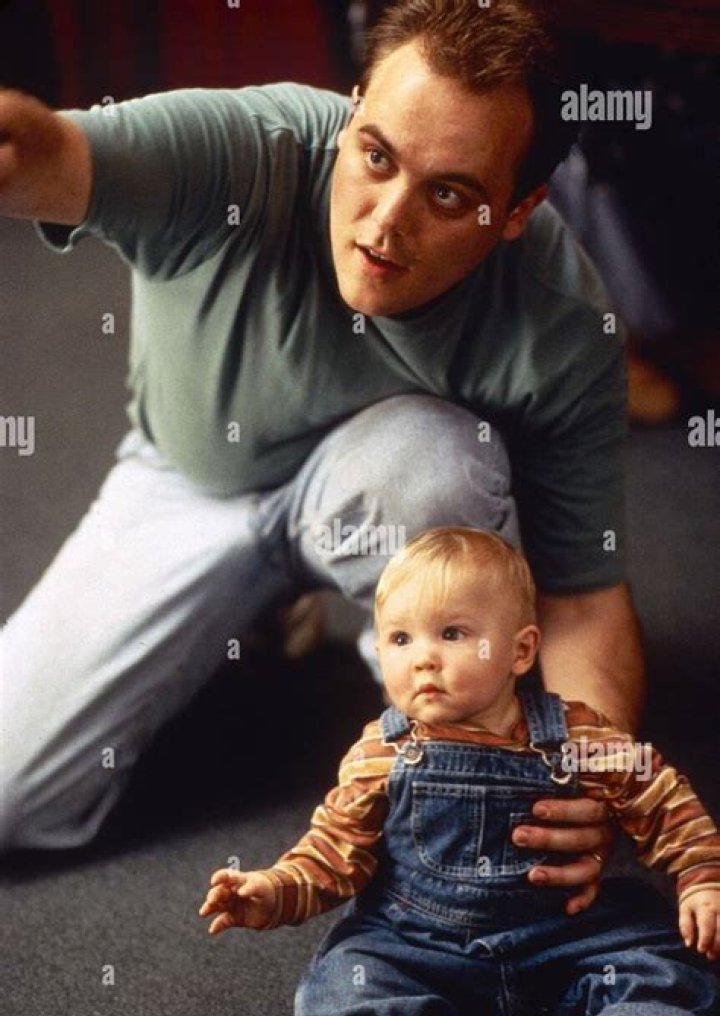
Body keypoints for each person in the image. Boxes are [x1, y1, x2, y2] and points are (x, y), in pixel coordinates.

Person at [1, 0, 638, 917]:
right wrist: (16, 142)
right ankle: (266, 612)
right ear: (353, 108)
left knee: (433, 464)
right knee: (8, 793)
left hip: (390, 490)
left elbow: (581, 600)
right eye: (376, 156)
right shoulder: (243, 148)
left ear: (517, 209)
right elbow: (49, 155)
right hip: (192, 483)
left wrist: (594, 771)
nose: (385, 223)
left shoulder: (563, 317)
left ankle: (443, 756)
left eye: (448, 195)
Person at [199, 527, 720, 1016]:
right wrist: (274, 890)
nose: (423, 658)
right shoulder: (380, 752)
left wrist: (702, 875)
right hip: (420, 949)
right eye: (400, 639)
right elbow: (333, 854)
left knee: (652, 949)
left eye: (451, 634)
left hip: (562, 938)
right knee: (346, 983)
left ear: (521, 651)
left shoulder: (577, 735)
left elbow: (661, 798)